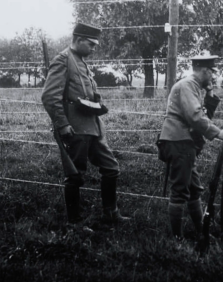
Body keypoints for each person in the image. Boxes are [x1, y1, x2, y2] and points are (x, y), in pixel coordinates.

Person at [42, 23, 130, 226]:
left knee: (111, 167)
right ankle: (74, 223)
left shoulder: (81, 61)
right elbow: (49, 97)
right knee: (75, 175)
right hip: (75, 128)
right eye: (91, 44)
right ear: (79, 39)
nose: (93, 48)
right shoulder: (63, 60)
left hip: (92, 125)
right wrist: (62, 125)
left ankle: (111, 213)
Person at [157, 54, 223, 241]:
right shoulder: (187, 86)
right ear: (204, 70)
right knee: (180, 190)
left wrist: (210, 94)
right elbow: (195, 116)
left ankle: (201, 231)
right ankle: (177, 239)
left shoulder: (195, 87)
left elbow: (203, 113)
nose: (213, 76)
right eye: (212, 72)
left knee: (193, 187)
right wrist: (217, 133)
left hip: (184, 141)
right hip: (179, 140)